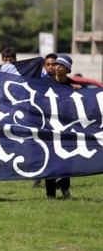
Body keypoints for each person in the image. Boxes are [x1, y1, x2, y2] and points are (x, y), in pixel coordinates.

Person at [44, 54, 80, 200]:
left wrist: (80, 93)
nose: (57, 66)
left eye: (61, 65)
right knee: (50, 158)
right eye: (56, 64)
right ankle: (50, 193)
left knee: (67, 159)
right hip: (49, 127)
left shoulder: (73, 85)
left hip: (66, 128)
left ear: (68, 69)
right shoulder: (45, 83)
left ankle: (65, 189)